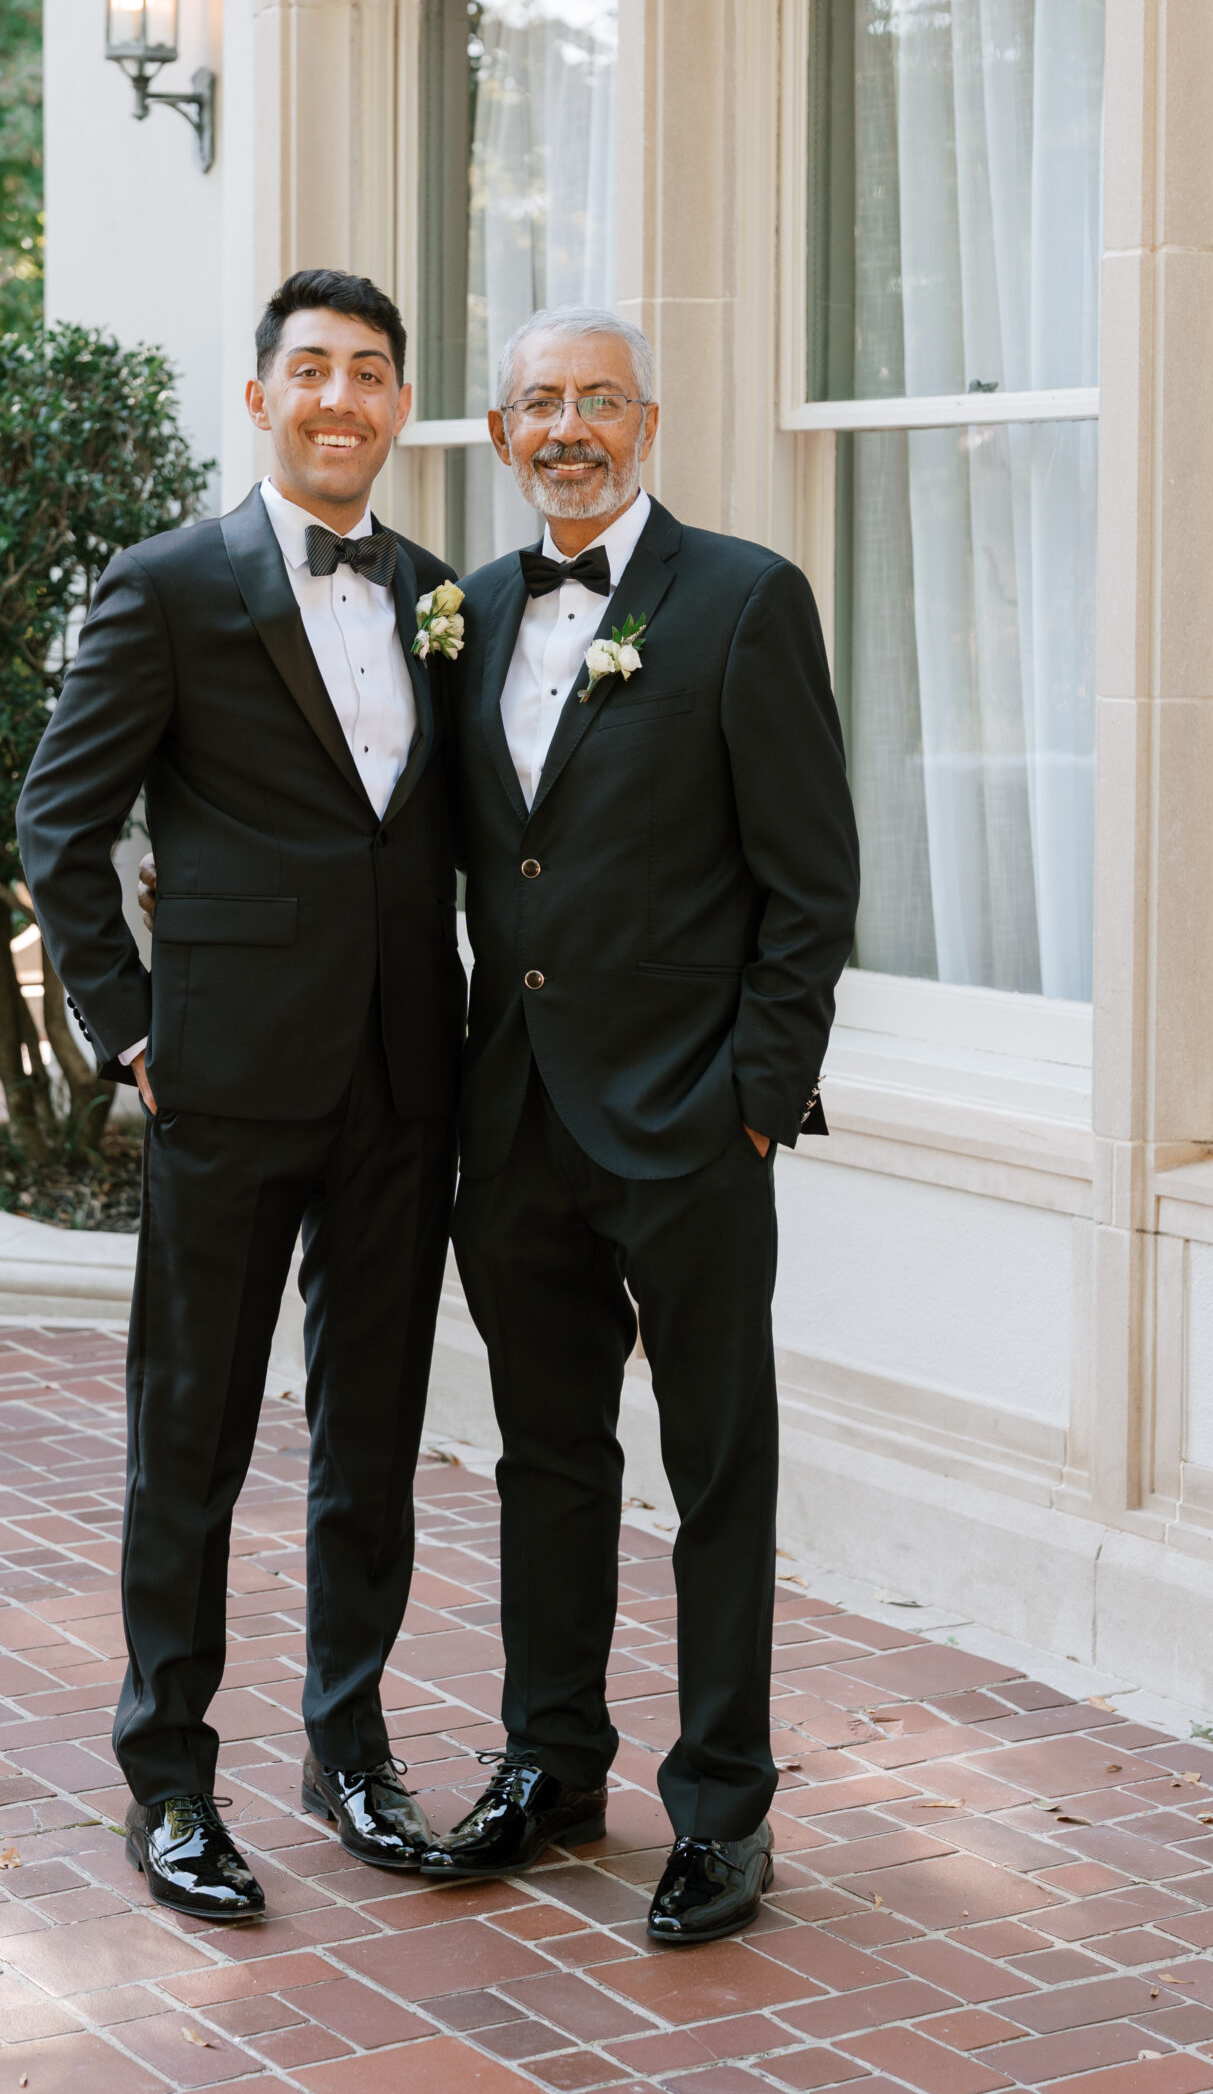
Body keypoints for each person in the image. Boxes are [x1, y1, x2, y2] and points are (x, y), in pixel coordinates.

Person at [15, 269, 466, 1922]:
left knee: (372, 1437)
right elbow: (61, 824)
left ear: (399, 404)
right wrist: (129, 1028)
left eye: (372, 372)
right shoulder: (167, 585)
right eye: (314, 371)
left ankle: (350, 1749)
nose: (343, 398)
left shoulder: (440, 596)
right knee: (190, 1434)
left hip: (405, 1079)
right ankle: (168, 1779)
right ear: (265, 395)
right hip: (222, 1075)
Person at [419, 306, 859, 1945]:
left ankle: (724, 1810)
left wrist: (754, 1107)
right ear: (501, 432)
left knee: (718, 1466)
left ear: (647, 423)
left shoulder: (743, 600)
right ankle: (552, 1768)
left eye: (599, 399)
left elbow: (811, 887)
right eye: (540, 402)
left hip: (690, 1124)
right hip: (514, 1124)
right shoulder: (464, 615)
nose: (570, 428)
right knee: (546, 1458)